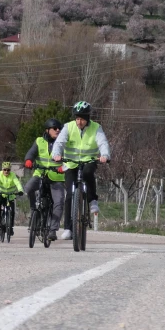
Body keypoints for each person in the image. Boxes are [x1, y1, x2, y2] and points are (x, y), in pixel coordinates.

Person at [52, 101, 111, 240]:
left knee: (87, 173)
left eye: (82, 119)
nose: (79, 122)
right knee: (70, 195)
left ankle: (92, 200)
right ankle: (67, 228)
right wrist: (56, 154)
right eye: (77, 118)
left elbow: (103, 142)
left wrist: (105, 155)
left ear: (88, 118)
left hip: (89, 161)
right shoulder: (68, 127)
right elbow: (59, 143)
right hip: (71, 164)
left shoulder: (96, 127)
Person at [24, 118, 66, 242]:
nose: (57, 130)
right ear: (47, 130)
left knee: (59, 202)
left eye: (59, 128)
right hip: (40, 174)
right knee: (29, 188)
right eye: (55, 128)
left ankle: (53, 230)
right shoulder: (39, 141)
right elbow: (31, 153)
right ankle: (34, 211)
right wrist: (29, 160)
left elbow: (69, 158)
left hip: (57, 177)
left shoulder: (64, 143)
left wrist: (63, 168)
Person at [0, 162, 25, 235]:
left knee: (12, 211)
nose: (6, 171)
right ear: (2, 169)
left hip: (10, 195)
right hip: (1, 194)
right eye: (5, 170)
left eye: (8, 170)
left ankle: (11, 227)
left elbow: (17, 183)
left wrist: (20, 190)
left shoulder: (13, 175)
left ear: (10, 170)